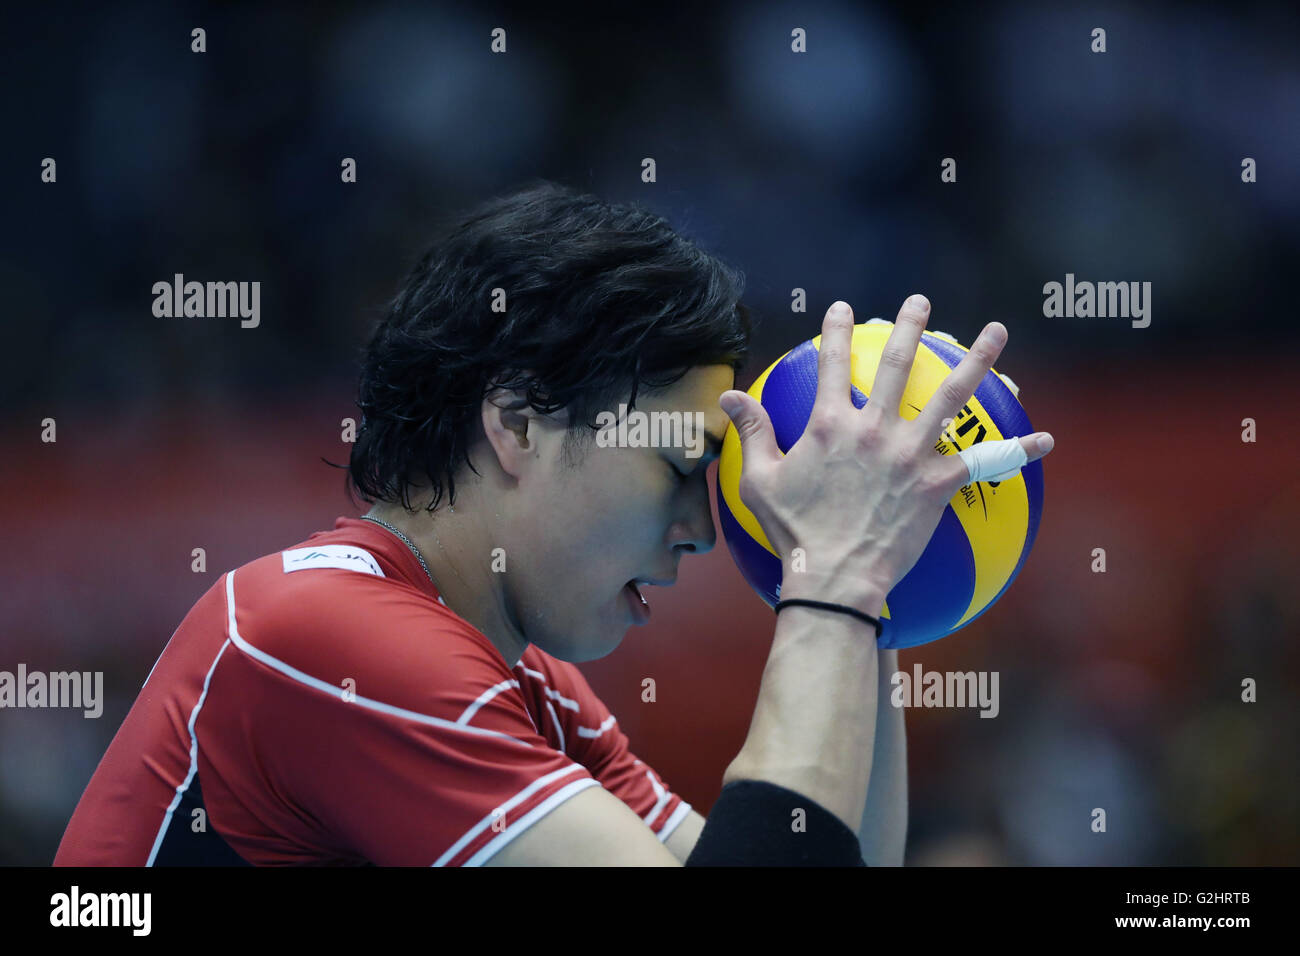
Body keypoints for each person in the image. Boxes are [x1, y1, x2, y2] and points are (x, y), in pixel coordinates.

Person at [54, 181, 1053, 866]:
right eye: (675, 467)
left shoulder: (536, 692)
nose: (701, 532)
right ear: (518, 424)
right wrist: (835, 571)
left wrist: (870, 584)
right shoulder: (320, 636)